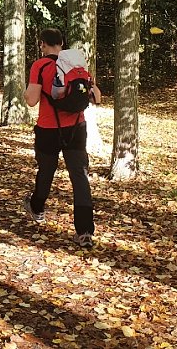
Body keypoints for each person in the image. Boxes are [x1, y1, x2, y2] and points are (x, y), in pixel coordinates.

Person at [23, 27, 101, 248]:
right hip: (76, 127)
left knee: (46, 170)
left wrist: (26, 91)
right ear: (62, 44)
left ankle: (37, 207)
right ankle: (85, 231)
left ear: (42, 44)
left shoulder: (40, 65)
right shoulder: (77, 65)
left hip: (48, 128)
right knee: (80, 177)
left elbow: (31, 100)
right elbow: (96, 96)